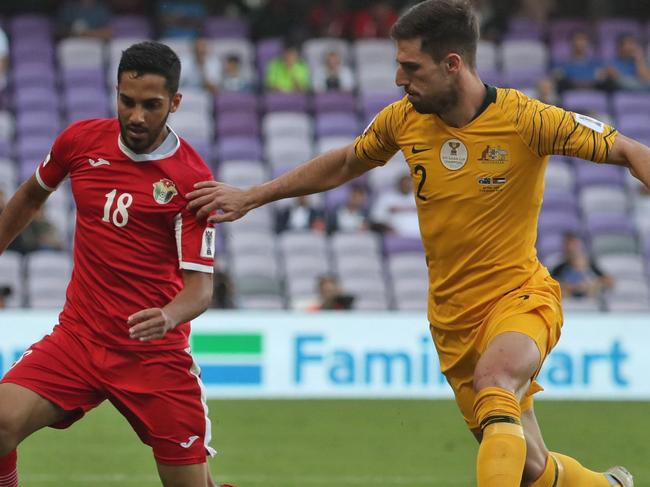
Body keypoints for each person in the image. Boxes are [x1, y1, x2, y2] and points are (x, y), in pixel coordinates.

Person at [186, 1, 647, 486]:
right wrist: (255, 195)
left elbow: (631, 151)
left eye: (411, 67)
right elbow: (346, 162)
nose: (399, 79)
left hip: (519, 298)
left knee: (496, 383)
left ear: (452, 64)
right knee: (531, 467)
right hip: (452, 321)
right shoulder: (405, 119)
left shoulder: (527, 119)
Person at [0, 41, 235, 487]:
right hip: (79, 339)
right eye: (127, 102)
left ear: (175, 103)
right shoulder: (80, 141)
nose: (137, 117)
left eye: (152, 105)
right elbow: (32, 194)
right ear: (116, 92)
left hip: (154, 356)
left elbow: (200, 290)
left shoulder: (190, 182)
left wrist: (167, 315)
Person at [551, 232, 614, 299]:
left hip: (589, 303)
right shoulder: (560, 267)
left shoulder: (590, 265)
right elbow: (550, 284)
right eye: (568, 245)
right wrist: (571, 287)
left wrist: (591, 285)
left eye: (574, 245)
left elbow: (609, 281)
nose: (571, 248)